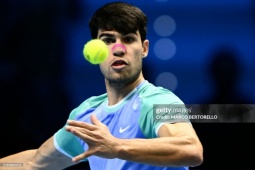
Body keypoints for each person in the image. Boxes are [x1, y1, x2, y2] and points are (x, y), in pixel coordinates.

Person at [0, 2, 203, 170]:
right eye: (107, 40)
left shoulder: (157, 101)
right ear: (94, 51)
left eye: (129, 39)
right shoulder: (87, 115)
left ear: (144, 49)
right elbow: (33, 162)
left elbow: (191, 149)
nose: (118, 49)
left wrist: (116, 146)